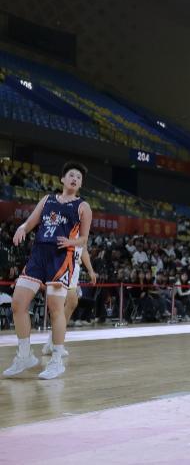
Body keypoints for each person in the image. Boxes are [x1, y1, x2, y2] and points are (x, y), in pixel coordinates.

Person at [3, 161, 92, 380]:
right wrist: (22, 228)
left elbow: (84, 239)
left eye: (78, 177)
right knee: (18, 304)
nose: (74, 179)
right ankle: (25, 355)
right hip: (38, 255)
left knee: (55, 308)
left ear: (80, 184)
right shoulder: (47, 199)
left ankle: (57, 359)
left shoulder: (83, 206)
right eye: (71, 175)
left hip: (61, 257)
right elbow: (30, 222)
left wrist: (71, 241)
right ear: (62, 179)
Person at [41, 249, 97, 357]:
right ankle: (56, 343)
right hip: (63, 262)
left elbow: (83, 249)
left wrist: (90, 270)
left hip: (75, 266)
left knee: (72, 302)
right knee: (61, 305)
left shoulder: (82, 238)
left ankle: (53, 341)